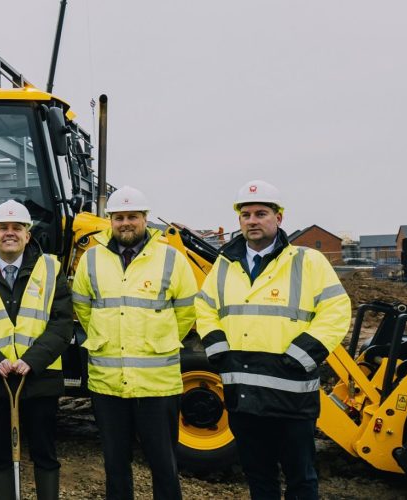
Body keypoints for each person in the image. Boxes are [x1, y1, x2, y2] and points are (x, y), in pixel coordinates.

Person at [195, 180, 351, 500]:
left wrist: (301, 355)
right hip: (243, 395)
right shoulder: (225, 265)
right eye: (246, 214)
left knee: (301, 479)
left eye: (261, 213)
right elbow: (205, 307)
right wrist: (218, 349)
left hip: (290, 395)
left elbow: (336, 311)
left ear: (278, 218)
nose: (252, 220)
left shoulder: (307, 262)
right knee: (259, 478)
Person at [72, 187, 199, 500]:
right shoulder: (91, 260)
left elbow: (185, 314)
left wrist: (157, 343)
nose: (125, 223)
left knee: (164, 466)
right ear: (110, 221)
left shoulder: (171, 259)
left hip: (157, 386)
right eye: (119, 218)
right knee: (116, 466)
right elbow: (83, 309)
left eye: (132, 216)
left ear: (145, 219)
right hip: (108, 385)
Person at [0, 200, 72, 500]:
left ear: (27, 234)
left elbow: (62, 323)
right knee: (2, 454)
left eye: (16, 227)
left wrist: (32, 361)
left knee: (45, 452)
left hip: (39, 379)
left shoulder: (50, 269)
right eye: (2, 228)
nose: (9, 233)